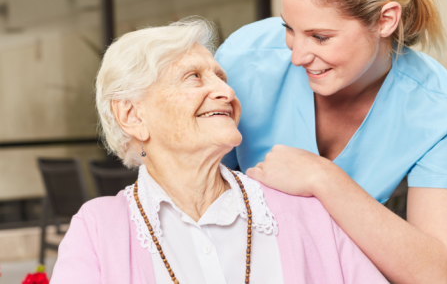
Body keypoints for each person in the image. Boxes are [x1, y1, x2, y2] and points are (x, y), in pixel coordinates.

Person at [215, 0, 447, 284]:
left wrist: (324, 178)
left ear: (385, 19)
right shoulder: (245, 57)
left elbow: (432, 272)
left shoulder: (440, 107)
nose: (297, 55)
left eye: (320, 37)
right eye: (289, 28)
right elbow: (192, 188)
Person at [50, 19, 388, 284]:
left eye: (221, 76)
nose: (225, 90)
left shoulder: (305, 211)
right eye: (194, 77)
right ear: (132, 116)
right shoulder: (98, 228)